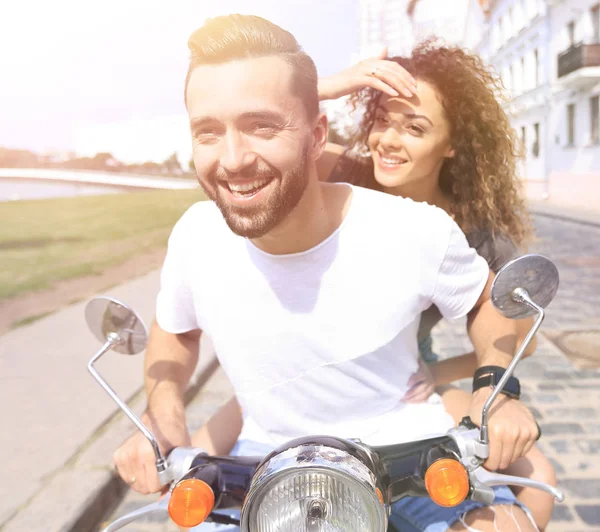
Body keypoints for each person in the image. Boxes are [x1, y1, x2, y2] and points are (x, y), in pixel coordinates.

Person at [113, 15, 542, 531]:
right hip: (266, 449)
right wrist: (163, 420)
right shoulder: (195, 235)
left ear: (316, 136)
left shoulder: (425, 227)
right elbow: (174, 329)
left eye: (261, 126)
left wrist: (495, 391)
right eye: (209, 131)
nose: (233, 159)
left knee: (525, 500)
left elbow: (488, 304)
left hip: (404, 442)